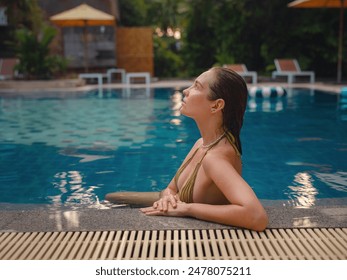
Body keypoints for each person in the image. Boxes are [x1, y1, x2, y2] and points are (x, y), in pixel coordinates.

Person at [106, 67, 268, 232]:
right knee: (113, 198)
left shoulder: (215, 158)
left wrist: (188, 209)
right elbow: (170, 188)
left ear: (216, 105)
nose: (186, 91)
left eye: (197, 87)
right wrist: (168, 199)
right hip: (170, 199)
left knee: (114, 203)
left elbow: (256, 217)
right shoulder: (201, 144)